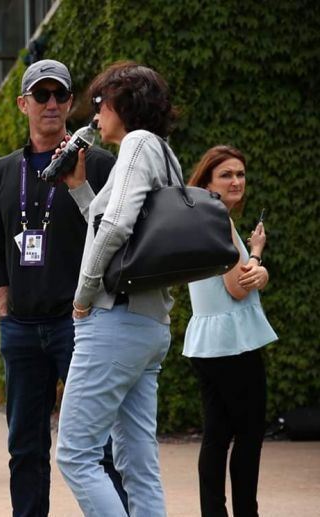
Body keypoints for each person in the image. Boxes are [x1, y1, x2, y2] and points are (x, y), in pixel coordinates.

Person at [0, 59, 123, 516]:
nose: (51, 103)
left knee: (98, 445)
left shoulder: (98, 164)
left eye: (59, 95)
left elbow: (116, 235)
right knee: (25, 447)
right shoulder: (4, 171)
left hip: (78, 325)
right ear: (22, 104)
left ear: (69, 102)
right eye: (40, 95)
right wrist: (4, 305)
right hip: (21, 328)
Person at [55, 61, 180, 517]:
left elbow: (116, 227)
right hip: (148, 324)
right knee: (137, 463)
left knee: (75, 454)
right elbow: (121, 228)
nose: (95, 113)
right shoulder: (163, 152)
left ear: (123, 102)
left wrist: (82, 296)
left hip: (115, 320)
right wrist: (79, 189)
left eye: (99, 102)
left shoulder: (137, 143)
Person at [184, 146, 276, 517]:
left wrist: (254, 256)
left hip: (209, 345)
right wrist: (257, 258)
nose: (236, 181)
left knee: (217, 436)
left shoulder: (203, 219)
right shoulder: (218, 220)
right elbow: (238, 287)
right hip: (232, 345)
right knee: (248, 436)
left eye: (240, 173)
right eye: (226, 174)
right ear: (208, 182)